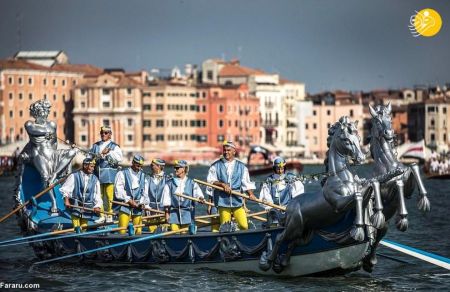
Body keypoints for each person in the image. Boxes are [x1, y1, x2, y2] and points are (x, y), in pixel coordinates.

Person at [22, 99, 78, 213]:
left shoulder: (52, 124)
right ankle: (54, 203)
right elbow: (33, 131)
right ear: (37, 112)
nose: (47, 113)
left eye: (48, 110)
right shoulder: (29, 124)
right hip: (39, 154)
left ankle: (56, 173)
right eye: (44, 110)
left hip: (52, 153)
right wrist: (45, 133)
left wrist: (57, 151)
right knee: (46, 178)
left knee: (73, 152)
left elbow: (55, 142)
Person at [207, 141, 256, 231]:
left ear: (234, 151)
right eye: (224, 150)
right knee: (225, 227)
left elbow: (246, 183)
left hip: (237, 201)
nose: (226, 152)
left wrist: (251, 194)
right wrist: (222, 184)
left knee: (244, 226)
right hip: (222, 202)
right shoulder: (215, 166)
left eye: (228, 150)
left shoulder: (242, 167)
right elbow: (211, 181)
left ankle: (235, 231)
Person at [90, 125, 123, 222]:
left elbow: (119, 159)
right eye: (102, 133)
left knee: (109, 196)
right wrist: (101, 153)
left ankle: (109, 215)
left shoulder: (114, 146)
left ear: (110, 134)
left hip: (109, 175)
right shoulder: (95, 146)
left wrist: (109, 153)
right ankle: (102, 215)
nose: (103, 134)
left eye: (105, 133)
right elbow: (90, 158)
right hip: (97, 174)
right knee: (98, 195)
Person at [259, 156, 304, 226]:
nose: (280, 171)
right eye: (278, 169)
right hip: (273, 210)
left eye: (282, 168)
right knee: (273, 222)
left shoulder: (292, 178)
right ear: (274, 169)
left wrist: (292, 206)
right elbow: (265, 196)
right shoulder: (269, 180)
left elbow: (298, 195)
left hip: (288, 209)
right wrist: (270, 207)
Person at [162, 160, 205, 231]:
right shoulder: (169, 183)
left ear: (183, 169)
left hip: (188, 215)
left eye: (177, 168)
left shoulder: (192, 183)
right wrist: (167, 215)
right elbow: (166, 201)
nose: (175, 169)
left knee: (185, 236)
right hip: (174, 215)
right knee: (174, 236)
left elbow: (198, 195)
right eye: (175, 168)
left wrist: (201, 198)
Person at [60, 157, 102, 230]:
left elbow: (97, 195)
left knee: (84, 227)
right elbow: (66, 189)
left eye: (93, 167)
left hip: (87, 207)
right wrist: (66, 200)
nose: (93, 169)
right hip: (75, 205)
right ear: (85, 166)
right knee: (76, 227)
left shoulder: (95, 179)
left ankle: (81, 237)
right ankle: (76, 236)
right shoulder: (74, 176)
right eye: (91, 166)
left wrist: (97, 206)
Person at [114, 154, 149, 235]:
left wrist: (142, 202)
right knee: (122, 231)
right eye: (138, 165)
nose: (139, 168)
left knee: (138, 231)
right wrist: (128, 200)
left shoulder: (143, 176)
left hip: (138, 208)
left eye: (141, 166)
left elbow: (145, 193)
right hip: (125, 206)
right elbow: (118, 191)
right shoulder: (122, 174)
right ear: (133, 162)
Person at [146, 158, 169, 233]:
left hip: (164, 211)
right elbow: (145, 193)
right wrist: (146, 207)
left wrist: (168, 211)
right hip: (151, 211)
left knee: (164, 232)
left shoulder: (168, 179)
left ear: (159, 166)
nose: (150, 166)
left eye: (152, 165)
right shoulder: (147, 178)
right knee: (152, 232)